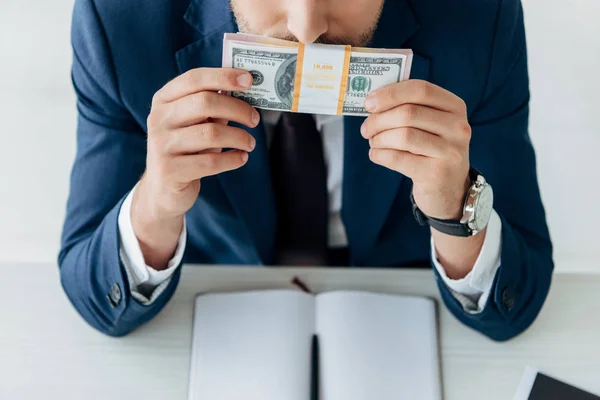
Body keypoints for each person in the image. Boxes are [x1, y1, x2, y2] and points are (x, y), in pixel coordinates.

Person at [60, 0, 553, 339]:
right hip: (212, 293)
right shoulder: (117, 21)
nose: (306, 27)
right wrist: (154, 206)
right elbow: (91, 290)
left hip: (401, 298)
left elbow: (516, 302)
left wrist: (455, 209)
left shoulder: (481, 18)